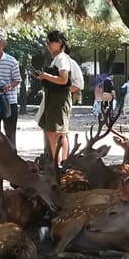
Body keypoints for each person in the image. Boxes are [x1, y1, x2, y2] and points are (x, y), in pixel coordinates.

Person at [34, 30, 76, 162]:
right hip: (55, 99)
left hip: (59, 100)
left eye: (50, 42)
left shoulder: (62, 58)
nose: (48, 45)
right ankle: (60, 163)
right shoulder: (57, 59)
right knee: (58, 133)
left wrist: (45, 76)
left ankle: (59, 164)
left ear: (59, 43)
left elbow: (63, 79)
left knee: (56, 133)